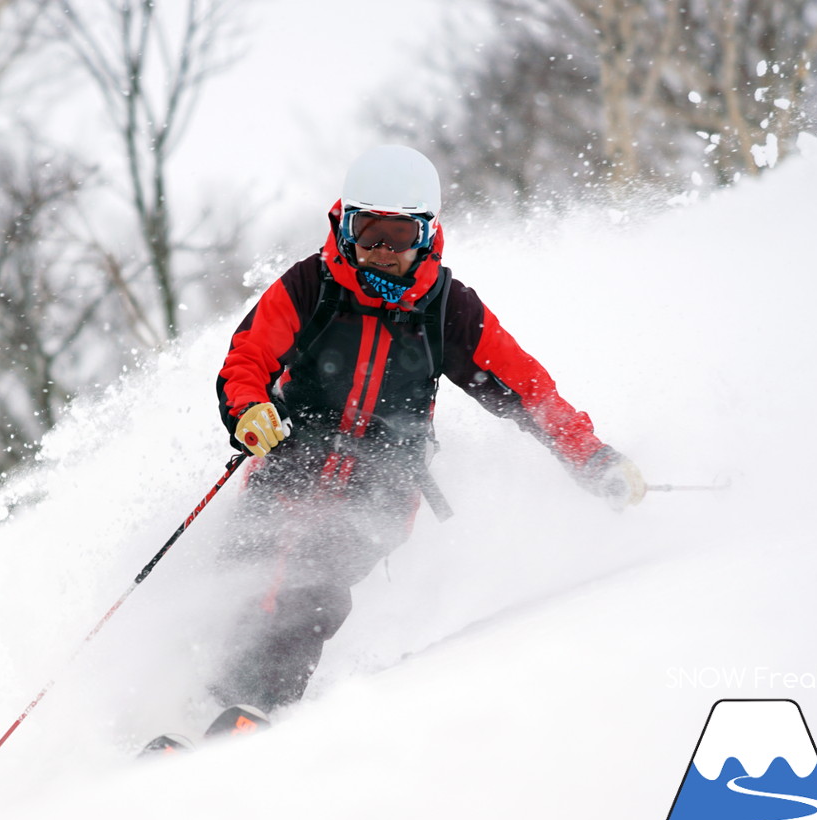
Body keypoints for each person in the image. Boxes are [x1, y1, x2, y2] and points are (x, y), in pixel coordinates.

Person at [210, 144, 645, 714]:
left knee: (309, 592)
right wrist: (249, 410)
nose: (382, 252)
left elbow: (529, 392)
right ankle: (193, 699)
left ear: (426, 234)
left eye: (399, 235)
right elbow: (245, 363)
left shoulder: (447, 312)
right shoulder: (310, 288)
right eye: (368, 232)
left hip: (380, 487)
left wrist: (591, 457)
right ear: (343, 226)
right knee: (240, 573)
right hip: (292, 462)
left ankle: (252, 710)